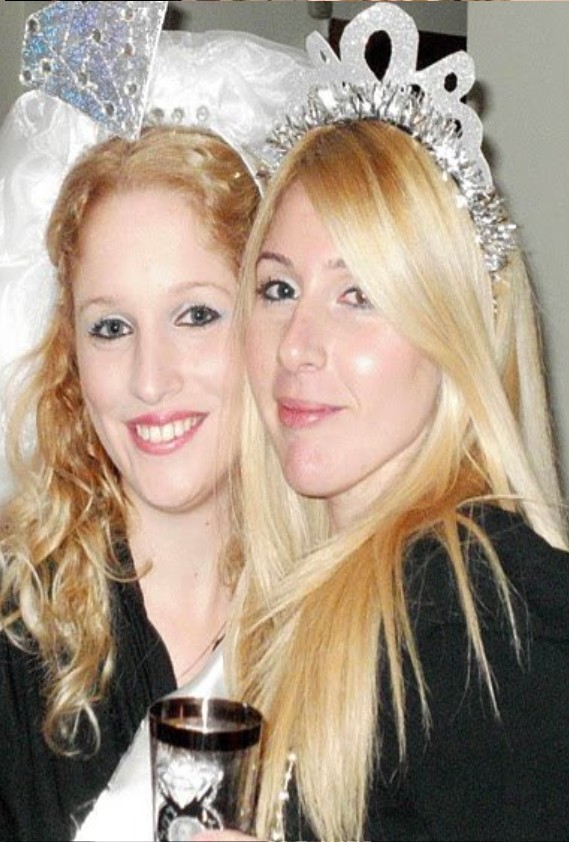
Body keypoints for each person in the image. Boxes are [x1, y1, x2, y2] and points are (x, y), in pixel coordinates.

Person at [201, 5, 569, 841]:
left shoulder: (487, 621)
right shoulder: (334, 595)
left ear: (453, 334)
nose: (296, 345)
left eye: (358, 295)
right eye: (278, 288)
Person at [0, 5, 306, 840]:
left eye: (196, 315)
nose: (149, 377)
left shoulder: (358, 618)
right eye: (110, 327)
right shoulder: (15, 628)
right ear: (69, 355)